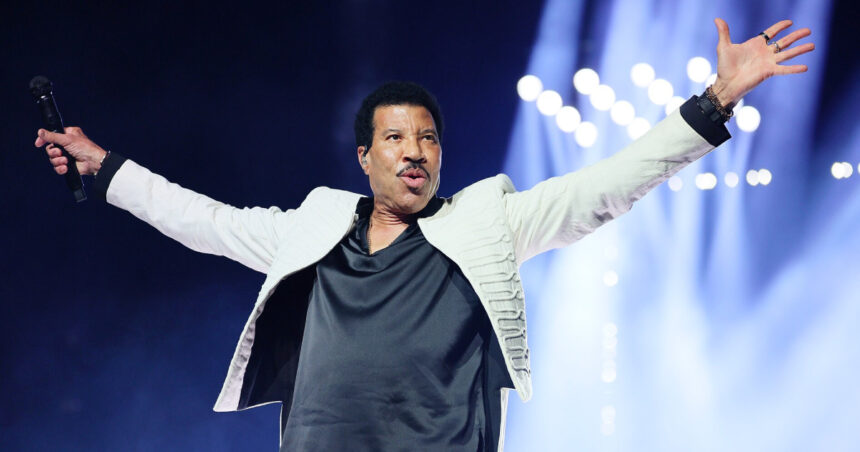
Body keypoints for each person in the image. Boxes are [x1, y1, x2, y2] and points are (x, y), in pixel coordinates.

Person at [34, 18, 813, 452]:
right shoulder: (313, 230)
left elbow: (606, 186)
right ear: (365, 156)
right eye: (397, 138)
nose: (415, 151)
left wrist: (716, 99)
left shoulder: (486, 223)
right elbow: (202, 220)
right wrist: (104, 166)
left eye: (429, 138)